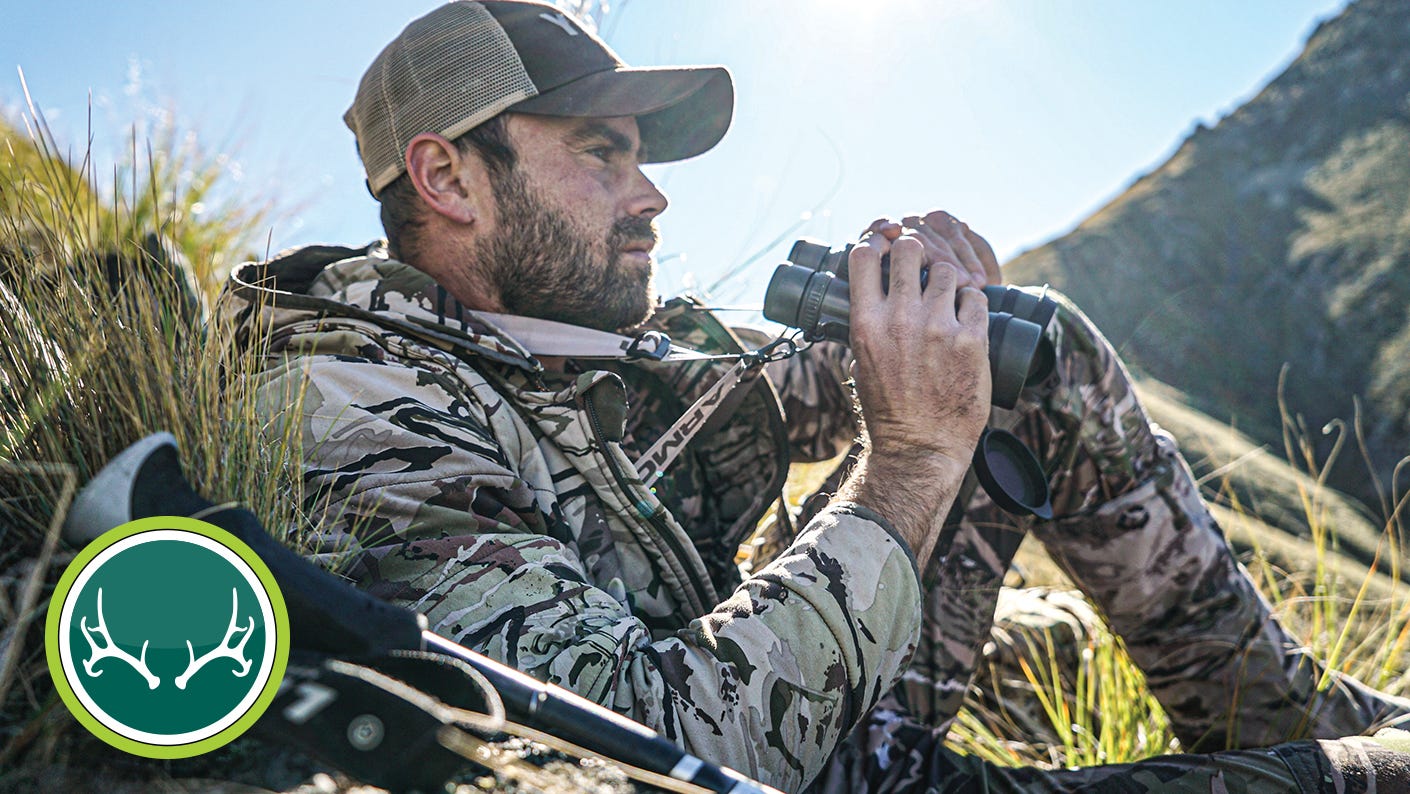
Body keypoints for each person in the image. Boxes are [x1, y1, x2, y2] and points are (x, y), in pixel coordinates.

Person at [218, 1, 1410, 790]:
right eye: (601, 152)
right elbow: (651, 754)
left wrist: (919, 322)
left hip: (807, 688)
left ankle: (1284, 707)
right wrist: (913, 461)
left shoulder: (574, 331)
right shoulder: (357, 411)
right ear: (446, 176)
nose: (652, 198)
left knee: (1023, 350)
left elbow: (807, 391)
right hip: (765, 760)